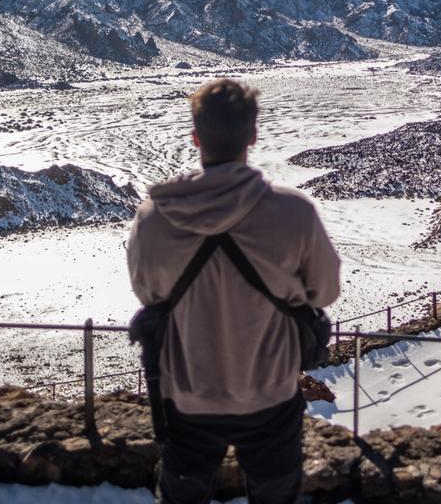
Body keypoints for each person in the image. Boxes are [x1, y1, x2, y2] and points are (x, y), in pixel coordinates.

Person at [127, 78, 341, 504]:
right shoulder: (294, 213)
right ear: (253, 136)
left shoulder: (154, 217)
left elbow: (148, 294)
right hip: (271, 395)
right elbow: (325, 291)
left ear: (195, 137)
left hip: (187, 398)